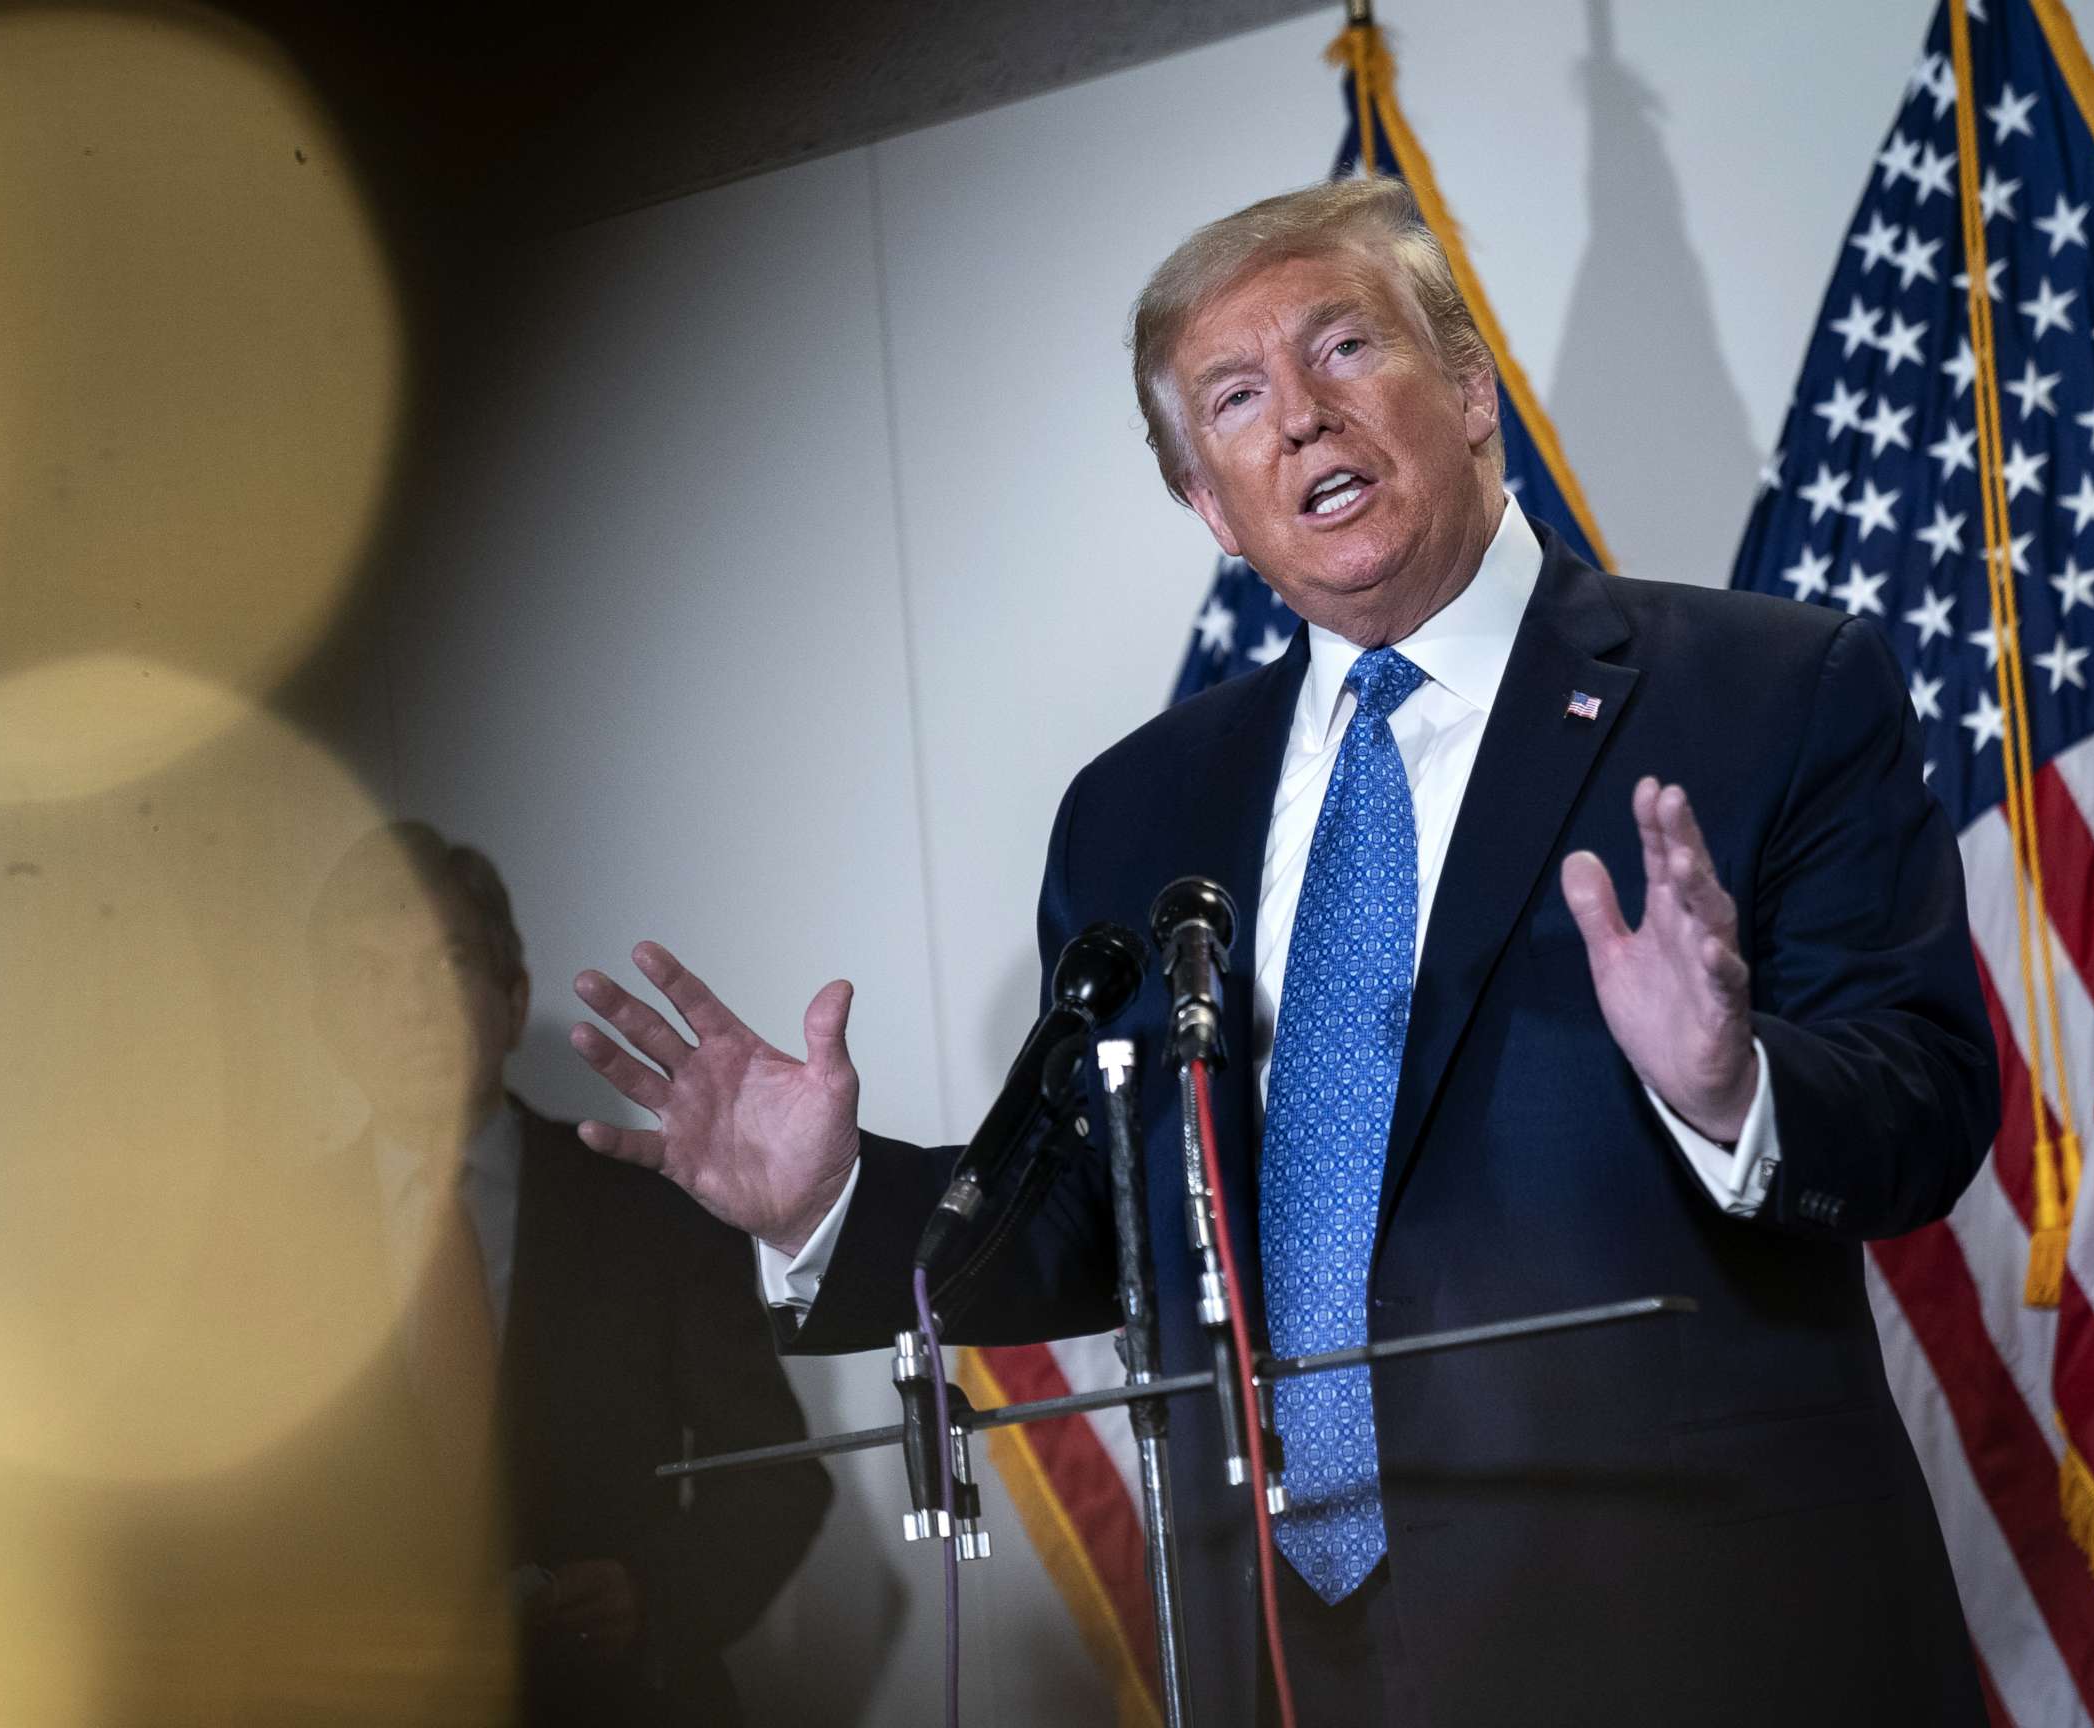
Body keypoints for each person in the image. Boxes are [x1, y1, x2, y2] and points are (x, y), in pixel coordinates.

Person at [565, 177, 1996, 1727]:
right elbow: (1093, 1222)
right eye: (1237, 400)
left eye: (1344, 351)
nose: (1302, 422)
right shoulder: (1136, 810)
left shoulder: (1767, 692)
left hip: (1704, 1643)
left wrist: (1734, 1087)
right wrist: (831, 1205)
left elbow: (1922, 1105)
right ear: (1208, 504)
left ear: (1465, 394)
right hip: (1304, 1663)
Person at [309, 822, 833, 1727]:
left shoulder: (651, 1208)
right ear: (328, 1019)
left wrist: (650, 1595)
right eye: (368, 973)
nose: (410, 1007)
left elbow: (778, 1478)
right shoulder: (266, 1244)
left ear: (512, 999)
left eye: (444, 965)